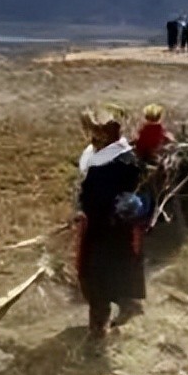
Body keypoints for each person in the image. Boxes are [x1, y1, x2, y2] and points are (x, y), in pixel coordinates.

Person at [75, 107, 145, 339]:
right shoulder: (125, 158)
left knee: (93, 280)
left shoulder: (109, 165)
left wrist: (84, 210)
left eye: (96, 133)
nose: (93, 139)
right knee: (112, 272)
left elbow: (94, 197)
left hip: (102, 229)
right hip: (115, 229)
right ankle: (126, 304)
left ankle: (98, 330)